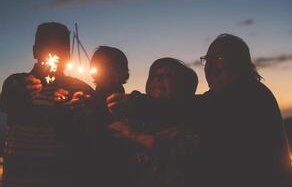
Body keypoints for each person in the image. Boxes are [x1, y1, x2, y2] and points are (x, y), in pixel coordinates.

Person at [106, 34, 292, 187]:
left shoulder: (247, 94)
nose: (211, 66)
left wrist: (138, 113)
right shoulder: (220, 98)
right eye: (207, 60)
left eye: (220, 58)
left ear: (240, 62)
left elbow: (191, 140)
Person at [0, 22, 94, 187]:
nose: (55, 54)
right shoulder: (16, 82)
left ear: (69, 55)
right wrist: (16, 92)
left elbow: (90, 139)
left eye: (62, 49)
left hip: (61, 179)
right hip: (17, 180)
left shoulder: (80, 89)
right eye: (49, 47)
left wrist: (82, 111)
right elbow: (6, 102)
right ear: (35, 51)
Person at [109, 57, 199, 187]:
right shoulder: (134, 119)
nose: (157, 78)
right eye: (154, 75)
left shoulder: (188, 119)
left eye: (167, 75)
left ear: (183, 85)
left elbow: (182, 153)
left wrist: (134, 135)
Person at [86, 46, 132, 187]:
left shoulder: (131, 104)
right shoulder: (87, 99)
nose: (107, 71)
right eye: (102, 66)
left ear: (122, 71)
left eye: (111, 66)